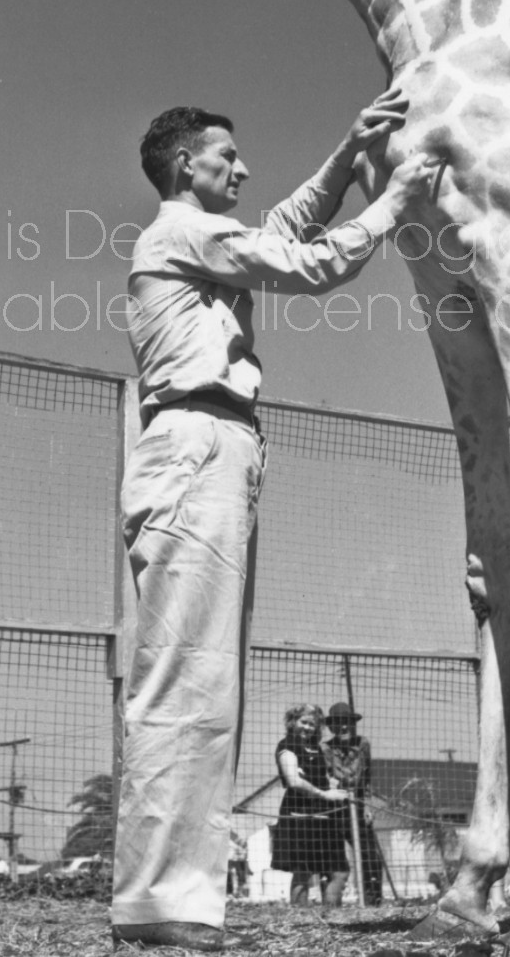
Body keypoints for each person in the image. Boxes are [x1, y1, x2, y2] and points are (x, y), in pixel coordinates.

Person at [109, 91, 436, 951]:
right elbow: (311, 262)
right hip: (198, 441)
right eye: (228, 156)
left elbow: (283, 228)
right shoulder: (180, 231)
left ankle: (174, 900)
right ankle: (157, 906)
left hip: (218, 444)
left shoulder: (200, 239)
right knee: (185, 678)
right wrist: (395, 197)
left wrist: (346, 148)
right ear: (188, 166)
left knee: (205, 683)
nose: (244, 169)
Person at [273, 703, 349, 906]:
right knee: (303, 871)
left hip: (325, 816)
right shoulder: (287, 746)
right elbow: (293, 780)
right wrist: (325, 795)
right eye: (303, 722)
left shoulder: (317, 749)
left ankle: (332, 919)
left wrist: (335, 787)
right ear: (293, 722)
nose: (307, 728)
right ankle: (301, 920)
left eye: (312, 724)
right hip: (299, 814)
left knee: (339, 871)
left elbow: (324, 777)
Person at [322, 701, 383, 903]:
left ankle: (372, 900)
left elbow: (367, 777)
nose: (344, 727)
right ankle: (331, 904)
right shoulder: (325, 748)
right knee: (334, 861)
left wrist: (367, 805)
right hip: (333, 808)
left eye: (347, 722)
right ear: (332, 727)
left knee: (370, 856)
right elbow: (328, 778)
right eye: (339, 723)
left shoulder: (362, 744)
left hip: (357, 806)